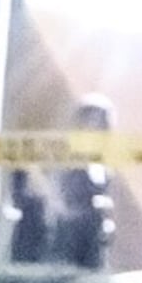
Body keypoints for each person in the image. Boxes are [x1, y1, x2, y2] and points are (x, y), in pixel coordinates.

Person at [48, 97, 116, 269]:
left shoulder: (101, 161)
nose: (99, 129)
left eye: (103, 124)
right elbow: (59, 195)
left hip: (95, 237)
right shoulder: (69, 157)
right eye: (93, 122)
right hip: (70, 237)